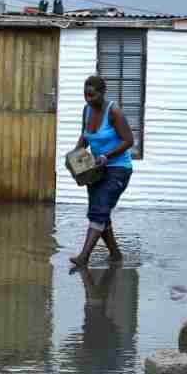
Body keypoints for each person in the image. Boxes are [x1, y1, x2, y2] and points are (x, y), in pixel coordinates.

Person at [69, 75, 134, 266]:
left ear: (102, 92)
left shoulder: (114, 112)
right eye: (85, 95)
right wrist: (75, 153)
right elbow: (85, 136)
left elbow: (129, 141)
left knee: (99, 210)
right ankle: (115, 254)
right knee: (98, 211)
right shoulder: (86, 110)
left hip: (118, 169)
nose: (88, 99)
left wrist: (106, 156)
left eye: (92, 95)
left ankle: (84, 257)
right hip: (95, 169)